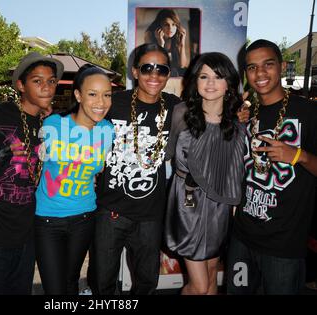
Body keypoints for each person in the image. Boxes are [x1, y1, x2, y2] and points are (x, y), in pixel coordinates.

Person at [0, 51, 64, 295]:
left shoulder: (49, 125)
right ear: (21, 85)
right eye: (37, 81)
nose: (47, 88)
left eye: (51, 81)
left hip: (27, 235)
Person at [226, 39, 317, 295]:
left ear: (281, 66)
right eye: (252, 67)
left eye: (268, 64)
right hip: (242, 237)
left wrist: (299, 156)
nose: (260, 73)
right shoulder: (247, 115)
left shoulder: (309, 113)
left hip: (284, 246)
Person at [92, 43, 182, 295]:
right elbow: (80, 121)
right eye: (147, 68)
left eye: (161, 69)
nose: (154, 75)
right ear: (134, 71)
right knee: (102, 281)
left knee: (146, 283)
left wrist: (238, 113)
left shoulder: (177, 108)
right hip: (111, 210)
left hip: (151, 215)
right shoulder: (113, 103)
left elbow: (210, 117)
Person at [164, 52, 245, 295]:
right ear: (195, 81)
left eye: (218, 77)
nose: (210, 83)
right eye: (204, 76)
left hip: (219, 208)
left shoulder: (237, 123)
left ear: (229, 83)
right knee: (198, 286)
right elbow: (166, 154)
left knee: (211, 276)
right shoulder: (181, 112)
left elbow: (234, 172)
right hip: (187, 204)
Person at [34, 65, 114, 295]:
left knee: (71, 283)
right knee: (55, 289)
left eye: (107, 94)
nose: (101, 102)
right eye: (92, 94)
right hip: (47, 219)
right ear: (78, 95)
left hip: (84, 218)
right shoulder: (52, 125)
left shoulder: (108, 131)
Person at [144, 9, 189, 76]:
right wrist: (161, 44)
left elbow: (182, 65)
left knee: (185, 71)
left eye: (173, 24)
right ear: (159, 26)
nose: (170, 29)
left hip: (172, 69)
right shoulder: (149, 35)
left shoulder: (177, 35)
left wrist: (182, 45)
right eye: (166, 25)